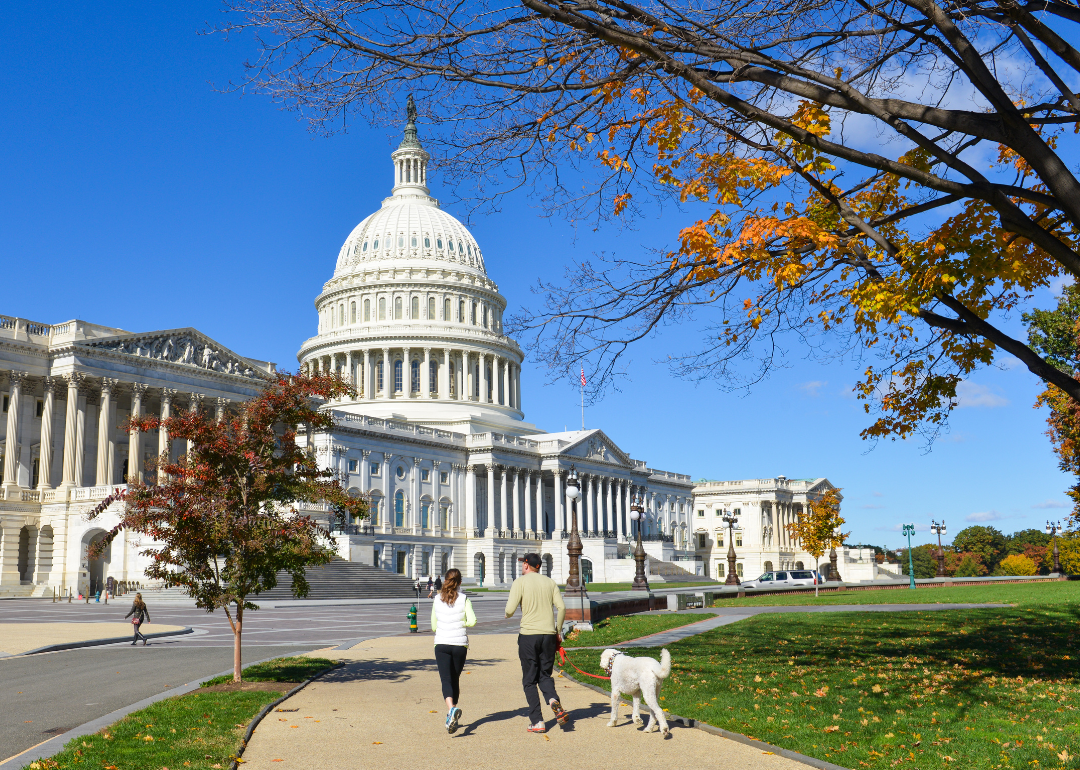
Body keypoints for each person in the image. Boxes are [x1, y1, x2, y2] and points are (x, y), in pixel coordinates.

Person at [504, 553, 569, 733]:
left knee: (529, 679)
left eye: (522, 564)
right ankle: (553, 700)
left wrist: (507, 614)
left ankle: (538, 721)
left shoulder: (520, 582)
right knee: (545, 675)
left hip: (529, 635)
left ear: (526, 565)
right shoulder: (550, 583)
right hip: (548, 634)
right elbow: (562, 607)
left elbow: (510, 609)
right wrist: (558, 630)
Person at [430, 568, 476, 734]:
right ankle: (452, 713)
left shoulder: (436, 600)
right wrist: (461, 624)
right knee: (455, 678)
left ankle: (451, 710)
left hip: (442, 642)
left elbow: (434, 626)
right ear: (460, 582)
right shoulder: (464, 599)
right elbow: (472, 621)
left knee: (446, 679)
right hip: (459, 644)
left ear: (445, 581)